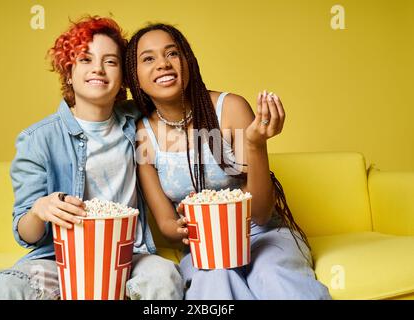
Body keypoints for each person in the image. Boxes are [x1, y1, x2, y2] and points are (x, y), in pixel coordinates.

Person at [125, 23, 331, 299]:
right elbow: (165, 222)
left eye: (172, 53)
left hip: (262, 235)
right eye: (148, 58)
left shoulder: (231, 108)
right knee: (214, 284)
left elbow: (259, 212)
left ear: (188, 62)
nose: (163, 64)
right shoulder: (142, 134)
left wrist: (255, 144)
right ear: (134, 77)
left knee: (272, 277)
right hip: (204, 246)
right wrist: (185, 228)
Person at [0, 16, 183, 300]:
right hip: (59, 260)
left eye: (110, 61)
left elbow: (179, 98)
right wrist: (40, 209)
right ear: (68, 71)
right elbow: (25, 234)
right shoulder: (37, 139)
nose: (98, 69)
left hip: (128, 257)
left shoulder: (137, 121)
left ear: (124, 76)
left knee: (165, 277)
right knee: (7, 287)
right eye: (85, 59)